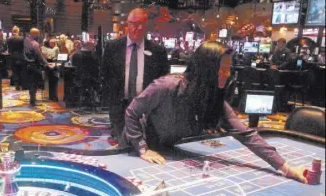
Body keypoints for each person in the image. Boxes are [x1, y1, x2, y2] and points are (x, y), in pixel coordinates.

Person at [121, 41, 308, 183]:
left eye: (228, 69)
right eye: (222, 69)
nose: (227, 74)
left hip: (167, 148)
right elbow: (132, 113)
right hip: (136, 146)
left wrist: (286, 168)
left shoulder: (214, 98)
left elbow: (246, 134)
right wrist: (142, 149)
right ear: (207, 69)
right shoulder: (167, 86)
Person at [101, 7, 169, 140]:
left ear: (146, 26)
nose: (137, 28)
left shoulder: (158, 51)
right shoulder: (112, 47)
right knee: (121, 144)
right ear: (127, 24)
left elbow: (163, 82)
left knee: (146, 143)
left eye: (141, 24)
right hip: (119, 108)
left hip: (147, 109)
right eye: (133, 24)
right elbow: (106, 76)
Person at [23, 27, 49, 106]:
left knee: (30, 83)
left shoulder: (24, 41)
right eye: (37, 34)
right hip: (34, 65)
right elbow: (40, 57)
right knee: (34, 83)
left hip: (25, 65)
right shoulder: (35, 44)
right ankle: (33, 101)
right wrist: (47, 64)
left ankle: (32, 99)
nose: (38, 36)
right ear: (34, 34)